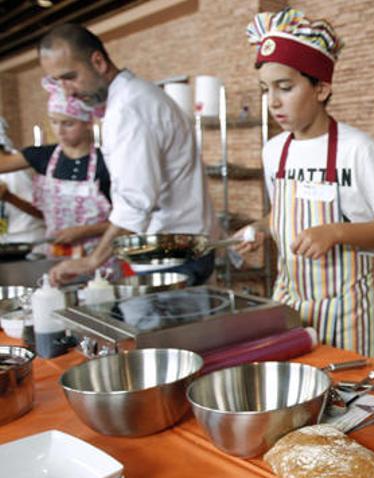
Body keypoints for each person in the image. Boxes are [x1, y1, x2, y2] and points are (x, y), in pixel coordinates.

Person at [235, 8, 374, 357]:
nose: (273, 102)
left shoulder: (357, 150)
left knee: (350, 401)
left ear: (321, 88)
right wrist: (257, 229)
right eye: (266, 90)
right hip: (289, 299)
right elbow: (281, 217)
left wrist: (335, 232)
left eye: (285, 87)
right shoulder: (274, 152)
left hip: (347, 307)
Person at [37, 24, 216, 285]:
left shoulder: (129, 110)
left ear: (98, 62)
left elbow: (135, 202)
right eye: (58, 82)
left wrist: (92, 260)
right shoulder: (137, 96)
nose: (68, 92)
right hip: (177, 251)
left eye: (70, 77)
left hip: (172, 256)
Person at [0, 77, 110, 257]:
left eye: (68, 123)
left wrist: (85, 231)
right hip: (57, 257)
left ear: (88, 123)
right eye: (54, 122)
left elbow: (129, 220)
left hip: (101, 256)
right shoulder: (42, 156)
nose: (59, 130)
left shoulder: (107, 161)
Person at [0, 117, 47, 246]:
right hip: (5, 243)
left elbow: (46, 213)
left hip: (31, 241)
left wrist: (9, 198)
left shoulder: (23, 166)